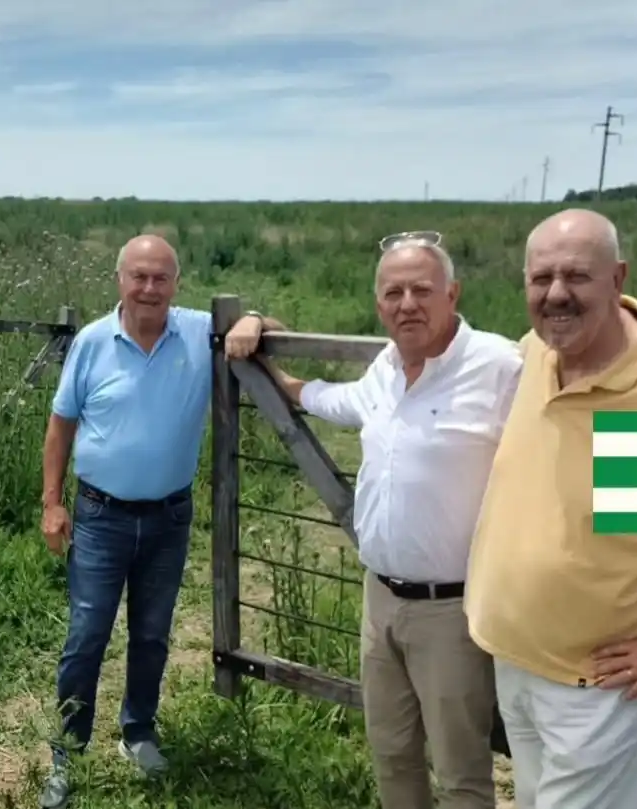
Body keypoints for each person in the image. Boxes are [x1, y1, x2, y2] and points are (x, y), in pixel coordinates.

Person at [260, 232, 520, 809]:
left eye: (422, 290)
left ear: (452, 293)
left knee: (461, 773)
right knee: (393, 754)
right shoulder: (386, 367)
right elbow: (330, 398)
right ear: (379, 304)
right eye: (393, 292)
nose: (408, 303)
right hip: (379, 602)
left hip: (453, 613)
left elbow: (586, 429)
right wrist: (267, 358)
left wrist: (620, 510)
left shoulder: (501, 367)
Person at [37, 234, 279, 808]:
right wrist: (52, 502)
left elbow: (261, 321)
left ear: (176, 283)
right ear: (120, 280)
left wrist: (253, 324)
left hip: (169, 518)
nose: (149, 288)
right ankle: (66, 753)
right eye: (138, 276)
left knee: (151, 633)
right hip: (99, 516)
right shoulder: (94, 342)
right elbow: (60, 425)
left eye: (160, 278)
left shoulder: (198, 331)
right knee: (86, 635)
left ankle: (137, 732)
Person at [465, 208, 637, 809]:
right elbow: (622, 527)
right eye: (541, 279)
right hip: (516, 660)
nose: (556, 295)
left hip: (597, 687)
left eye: (577, 276)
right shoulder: (535, 356)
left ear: (617, 277)